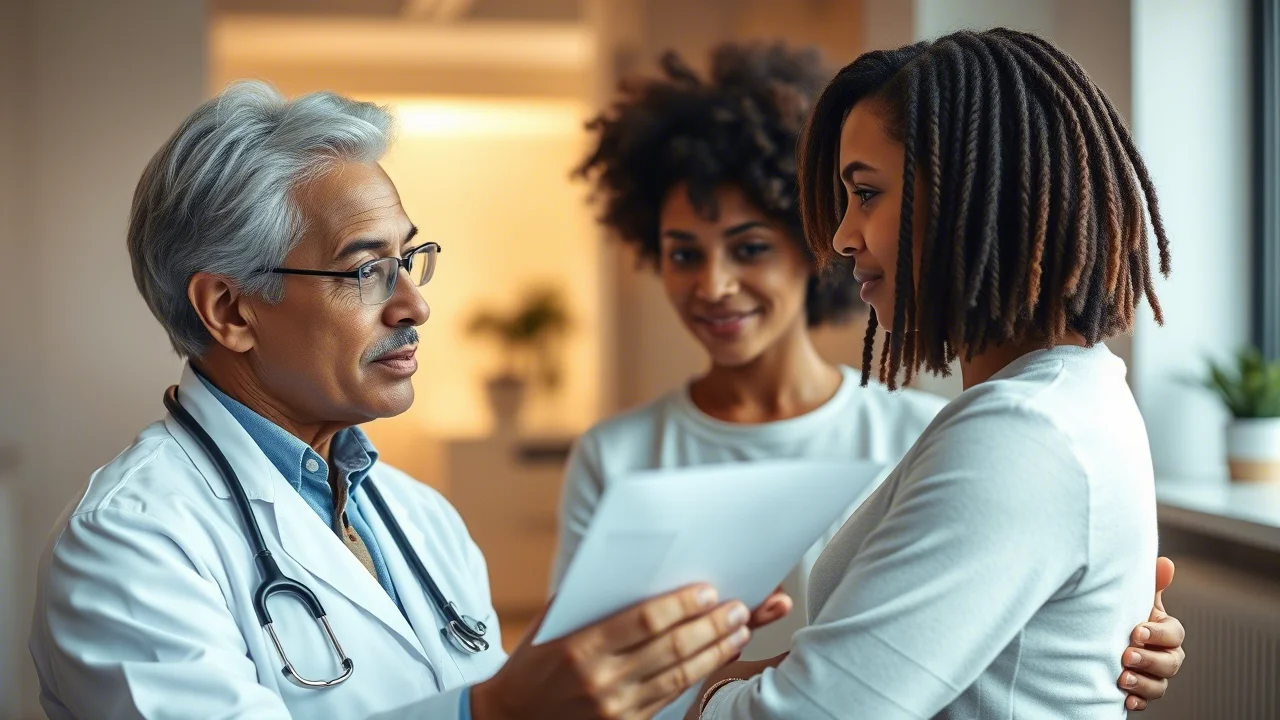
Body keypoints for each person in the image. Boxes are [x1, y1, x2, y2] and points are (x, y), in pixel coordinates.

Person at [28, 81, 762, 720]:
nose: (413, 304)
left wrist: (681, 683)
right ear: (230, 310)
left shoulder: (420, 518)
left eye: (408, 259)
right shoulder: (128, 543)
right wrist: (497, 710)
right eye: (366, 270)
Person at [559, 40, 1184, 712]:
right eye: (683, 253)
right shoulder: (1061, 404)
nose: (842, 236)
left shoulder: (1011, 432)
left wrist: (717, 691)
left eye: (866, 194)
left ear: (967, 196)